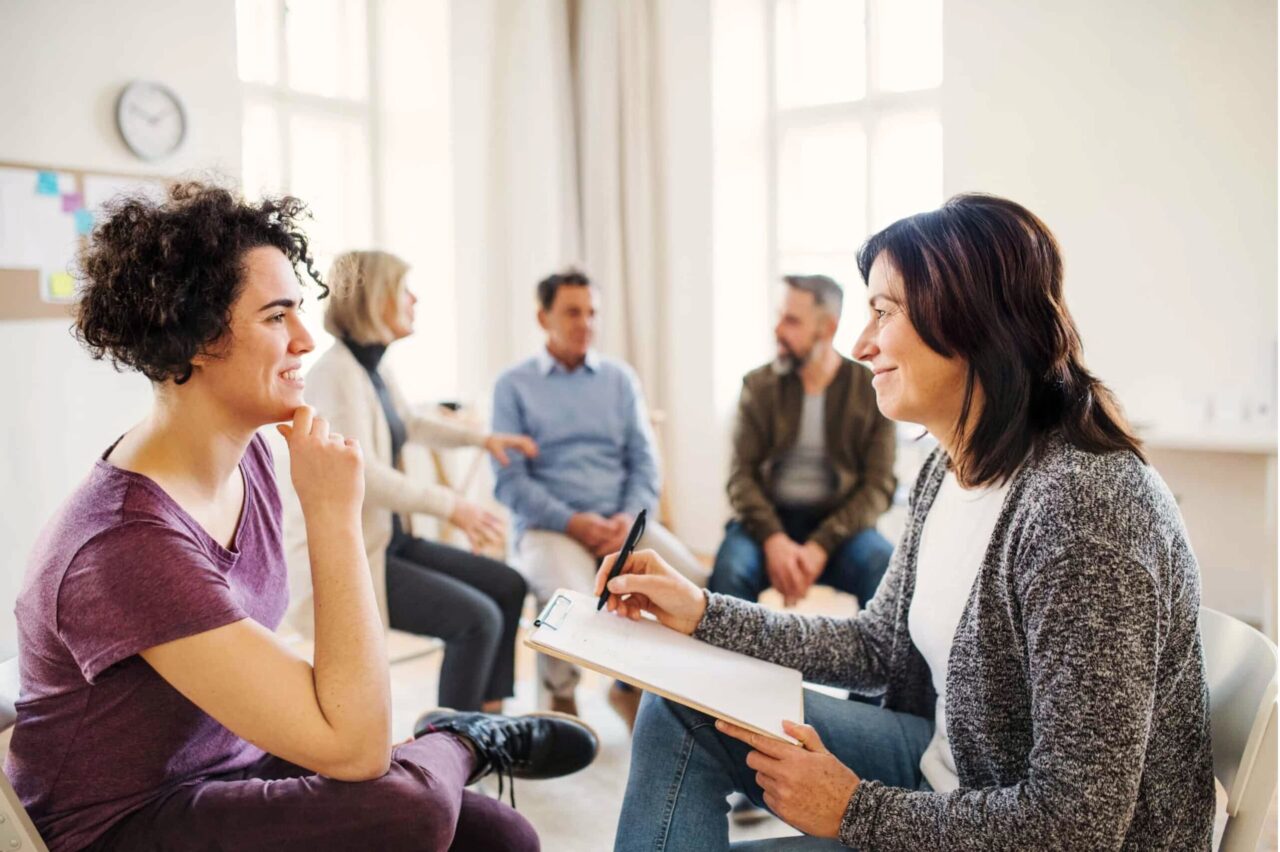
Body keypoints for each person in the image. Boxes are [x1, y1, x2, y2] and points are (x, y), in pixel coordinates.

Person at [599, 194, 1215, 850]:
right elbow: (879, 647)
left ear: (969, 321)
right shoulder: (950, 465)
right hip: (950, 774)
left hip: (1006, 822)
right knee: (678, 705)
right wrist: (701, 612)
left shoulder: (1084, 514)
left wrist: (853, 809)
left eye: (882, 312)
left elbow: (1078, 825)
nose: (861, 345)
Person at [7, 183, 597, 852]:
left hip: (225, 762)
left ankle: (448, 742)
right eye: (276, 316)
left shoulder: (253, 458)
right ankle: (458, 737)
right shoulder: (124, 546)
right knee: (414, 811)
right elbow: (357, 748)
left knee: (500, 832)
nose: (306, 339)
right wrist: (334, 515)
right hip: (122, 825)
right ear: (199, 339)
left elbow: (327, 718)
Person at [281, 249, 535, 713]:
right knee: (477, 620)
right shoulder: (335, 375)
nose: (414, 299)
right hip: (359, 556)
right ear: (376, 300)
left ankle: (490, 723)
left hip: (391, 541)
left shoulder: (370, 368)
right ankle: (450, 746)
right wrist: (452, 506)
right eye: (404, 290)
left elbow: (410, 422)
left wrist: (484, 439)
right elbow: (363, 473)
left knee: (507, 584)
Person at [491, 268, 707, 723]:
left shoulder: (619, 379)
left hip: (621, 523)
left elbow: (646, 462)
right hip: (552, 527)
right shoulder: (513, 385)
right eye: (572, 312)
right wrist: (574, 522)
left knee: (691, 580)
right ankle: (561, 695)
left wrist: (627, 519)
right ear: (542, 316)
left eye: (592, 313)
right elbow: (510, 483)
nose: (584, 323)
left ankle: (630, 687)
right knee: (567, 595)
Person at [711, 273, 895, 612]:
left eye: (792, 320)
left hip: (840, 525)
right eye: (779, 316)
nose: (778, 329)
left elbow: (879, 485)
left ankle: (876, 666)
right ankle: (734, 668)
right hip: (766, 521)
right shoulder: (757, 386)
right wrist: (774, 539)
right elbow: (741, 478)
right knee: (729, 575)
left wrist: (820, 545)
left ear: (827, 328)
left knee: (884, 568)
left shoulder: (870, 389)